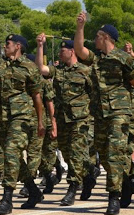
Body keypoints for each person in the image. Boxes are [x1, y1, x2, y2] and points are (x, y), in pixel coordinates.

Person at [74, 13, 134, 215]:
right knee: (105, 155)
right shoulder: (96, 59)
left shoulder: (124, 59)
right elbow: (79, 50)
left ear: (105, 37)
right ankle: (127, 179)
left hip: (121, 112)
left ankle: (113, 196)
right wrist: (80, 26)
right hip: (100, 114)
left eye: (97, 37)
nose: (95, 40)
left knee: (115, 153)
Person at [0, 15, 45, 215]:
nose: (5, 47)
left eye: (8, 44)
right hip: (2, 117)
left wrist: (41, 122)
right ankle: (33, 191)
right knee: (9, 156)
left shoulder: (30, 68)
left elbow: (37, 96)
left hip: (22, 118)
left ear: (18, 46)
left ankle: (7, 199)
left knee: (11, 153)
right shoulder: (1, 64)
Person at [35, 35, 93, 206]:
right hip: (62, 119)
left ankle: (73, 188)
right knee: (68, 155)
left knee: (75, 154)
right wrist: (40, 46)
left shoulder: (85, 71)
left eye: (62, 50)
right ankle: (89, 174)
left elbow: (94, 94)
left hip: (79, 120)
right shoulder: (58, 71)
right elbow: (40, 68)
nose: (60, 53)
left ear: (72, 51)